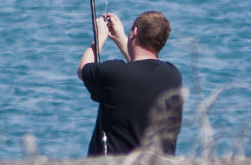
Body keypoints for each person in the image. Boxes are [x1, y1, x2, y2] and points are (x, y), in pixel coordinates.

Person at [77, 10, 184, 156]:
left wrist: (100, 38)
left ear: (134, 32)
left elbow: (83, 70)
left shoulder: (115, 73)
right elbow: (141, 70)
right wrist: (121, 38)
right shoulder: (173, 75)